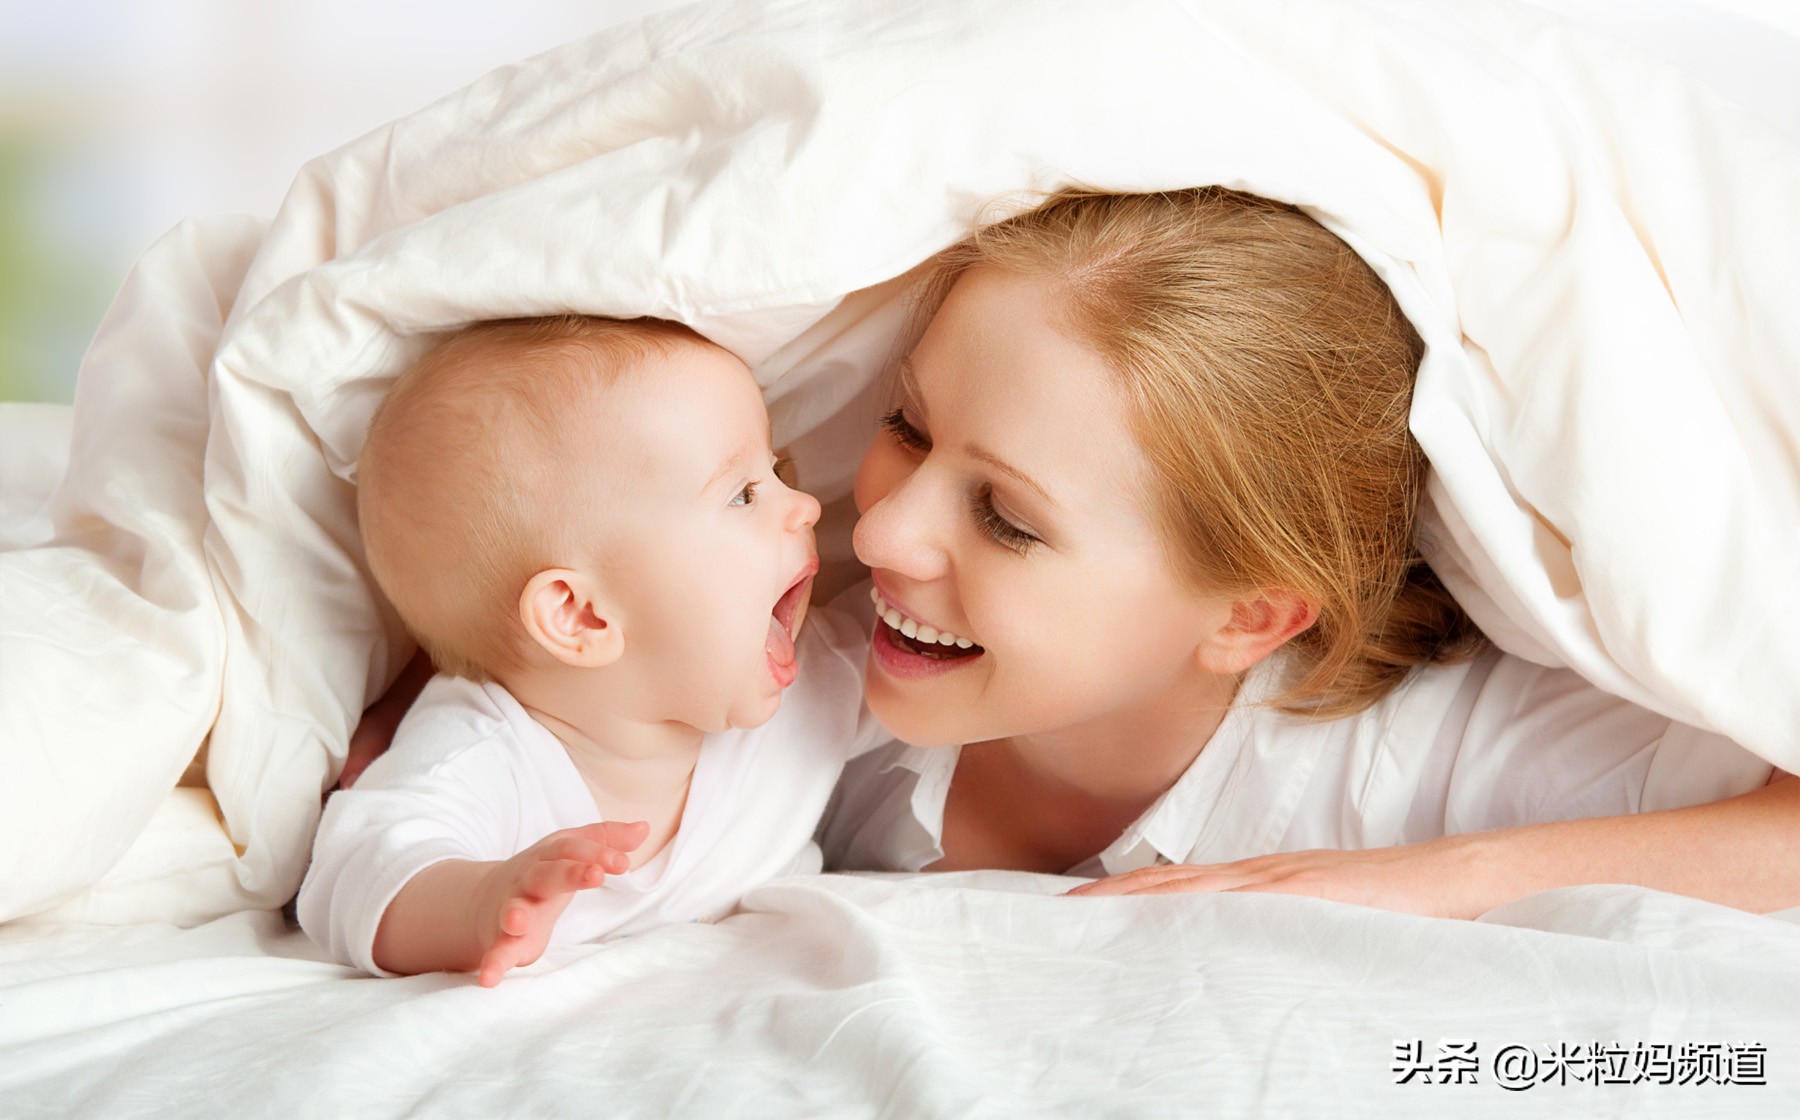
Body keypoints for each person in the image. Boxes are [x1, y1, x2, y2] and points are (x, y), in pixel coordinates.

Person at [818, 187, 1789, 917]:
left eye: (1007, 520)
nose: (879, 534)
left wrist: (1427, 880)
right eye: (906, 424)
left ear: (1251, 617)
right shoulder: (801, 665)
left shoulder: (1409, 757)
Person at [298, 315, 883, 987]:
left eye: (777, 470)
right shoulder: (487, 753)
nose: (806, 506)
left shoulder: (817, 686)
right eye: (743, 493)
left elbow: (948, 698)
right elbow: (356, 873)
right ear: (582, 615)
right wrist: (480, 900)